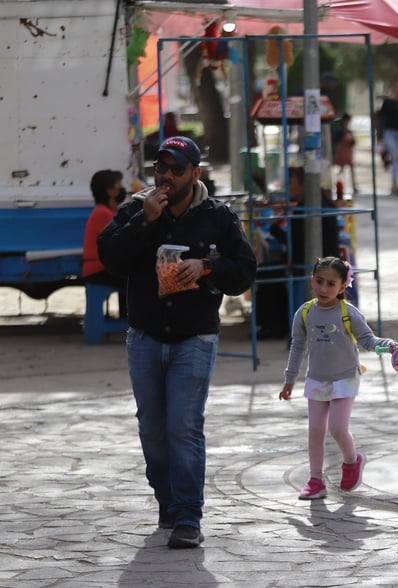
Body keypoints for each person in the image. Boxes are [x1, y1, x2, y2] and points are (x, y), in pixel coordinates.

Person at [97, 136, 257, 548]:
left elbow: (245, 271)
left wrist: (205, 266)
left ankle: (188, 516)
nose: (166, 176)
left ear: (195, 174)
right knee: (152, 430)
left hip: (195, 338)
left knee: (184, 428)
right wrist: (145, 220)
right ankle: (167, 501)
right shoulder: (136, 208)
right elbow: (110, 257)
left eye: (176, 169)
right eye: (160, 168)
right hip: (145, 338)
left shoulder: (217, 216)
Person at [279, 257, 397, 499]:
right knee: (315, 430)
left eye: (331, 284)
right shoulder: (305, 313)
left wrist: (388, 345)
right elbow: (297, 347)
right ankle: (315, 481)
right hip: (317, 379)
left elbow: (368, 340)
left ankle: (352, 461)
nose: (323, 289)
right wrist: (290, 379)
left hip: (345, 378)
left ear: (343, 287)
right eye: (319, 281)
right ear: (312, 280)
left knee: (337, 428)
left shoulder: (348, 313)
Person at [255, 166, 340, 340]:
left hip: (313, 263)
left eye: (291, 183)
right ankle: (274, 324)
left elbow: (299, 244)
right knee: (268, 270)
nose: (288, 187)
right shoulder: (310, 204)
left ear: (303, 185)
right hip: (311, 260)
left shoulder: (310, 207)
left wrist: (275, 230)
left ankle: (274, 326)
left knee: (265, 273)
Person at [82, 169, 127, 316]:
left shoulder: (108, 212)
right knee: (143, 280)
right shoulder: (103, 214)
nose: (122, 190)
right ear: (110, 191)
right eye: (119, 187)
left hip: (103, 267)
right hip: (98, 269)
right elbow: (122, 242)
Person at [332, 113, 358, 196]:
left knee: (351, 169)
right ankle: (340, 186)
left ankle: (354, 186)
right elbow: (336, 139)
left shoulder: (349, 131)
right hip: (341, 151)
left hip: (348, 152)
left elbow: (353, 142)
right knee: (341, 170)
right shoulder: (339, 131)